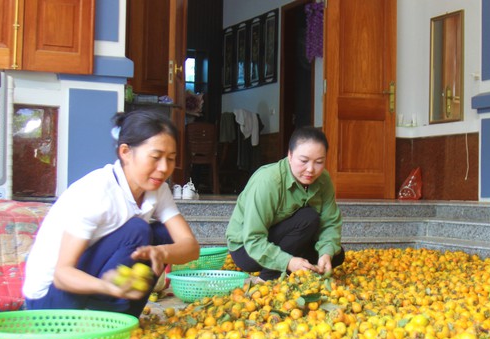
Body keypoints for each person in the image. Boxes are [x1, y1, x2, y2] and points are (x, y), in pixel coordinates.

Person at [23, 110, 200, 317]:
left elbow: (191, 247)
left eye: (170, 159)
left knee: (162, 236)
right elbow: (62, 275)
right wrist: (107, 287)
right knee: (137, 230)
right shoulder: (97, 192)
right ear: (125, 152)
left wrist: (161, 253)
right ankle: (104, 315)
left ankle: (124, 319)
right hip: (50, 301)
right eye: (155, 157)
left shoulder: (157, 189)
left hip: (88, 286)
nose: (163, 168)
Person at [226, 126, 345, 281]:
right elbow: (253, 238)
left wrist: (326, 253)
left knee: (337, 255)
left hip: (289, 239)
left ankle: (291, 267)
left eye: (319, 162)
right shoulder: (268, 181)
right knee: (308, 218)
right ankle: (268, 278)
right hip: (247, 249)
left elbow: (330, 222)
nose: (311, 169)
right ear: (290, 155)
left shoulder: (323, 180)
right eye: (304, 161)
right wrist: (288, 262)